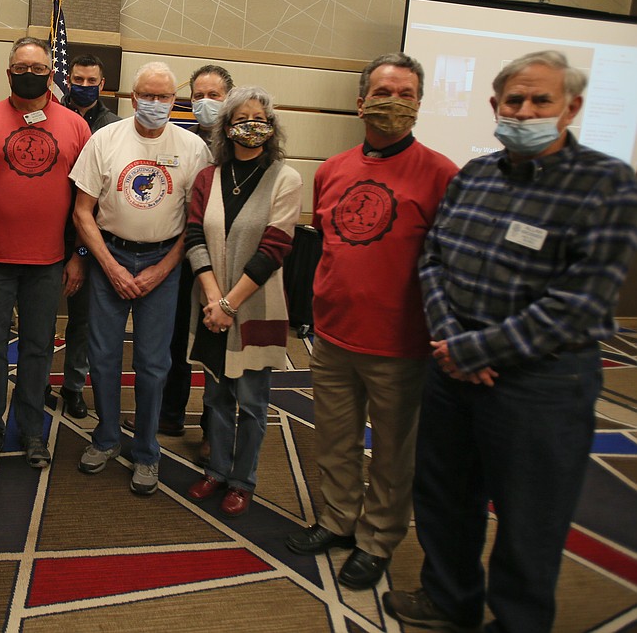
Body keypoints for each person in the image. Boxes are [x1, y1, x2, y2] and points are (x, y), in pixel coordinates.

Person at [384, 50, 637, 632]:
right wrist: (451, 339)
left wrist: (478, 350)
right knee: (446, 497)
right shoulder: (475, 175)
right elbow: (434, 259)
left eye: (540, 101)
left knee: (530, 515)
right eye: (514, 101)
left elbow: (581, 301)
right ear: (495, 106)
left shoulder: (606, 183)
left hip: (541, 382)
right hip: (453, 367)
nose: (524, 111)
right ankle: (450, 599)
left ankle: (520, 622)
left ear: (570, 107)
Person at [284, 53, 458, 590]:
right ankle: (338, 522)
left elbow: (448, 263)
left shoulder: (442, 173)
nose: (393, 102)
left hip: (400, 345)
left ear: (419, 104)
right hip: (333, 336)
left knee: (391, 451)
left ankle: (377, 540)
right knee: (334, 440)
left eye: (406, 94)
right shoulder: (332, 170)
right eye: (384, 91)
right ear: (361, 102)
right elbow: (329, 247)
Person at [0, 37, 91, 469]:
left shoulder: (76, 127)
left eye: (38, 68)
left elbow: (87, 200)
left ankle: (31, 431)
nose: (30, 74)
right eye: (21, 67)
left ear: (52, 74)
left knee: (38, 349)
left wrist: (78, 254)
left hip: (48, 264)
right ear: (8, 73)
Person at [71, 61, 212, 495]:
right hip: (108, 256)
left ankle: (147, 450)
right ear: (133, 99)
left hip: (163, 264)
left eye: (164, 96)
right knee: (103, 357)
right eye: (147, 96)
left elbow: (196, 223)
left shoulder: (192, 148)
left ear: (176, 100)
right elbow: (82, 211)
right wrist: (110, 266)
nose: (155, 103)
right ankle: (107, 437)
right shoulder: (105, 139)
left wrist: (162, 270)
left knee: (154, 365)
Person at [182, 86, 301, 517]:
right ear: (227, 127)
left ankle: (242, 480)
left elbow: (274, 249)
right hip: (212, 306)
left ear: (271, 129)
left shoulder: (286, 178)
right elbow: (195, 237)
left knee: (251, 402)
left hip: (254, 309)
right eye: (243, 118)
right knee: (215, 396)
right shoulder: (207, 178)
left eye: (261, 119)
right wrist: (214, 299)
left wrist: (229, 305)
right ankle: (215, 469)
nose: (253, 125)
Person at [144, 64, 236, 458]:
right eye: (198, 95)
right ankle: (170, 412)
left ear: (230, 98)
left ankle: (213, 429)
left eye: (214, 95)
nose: (204, 103)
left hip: (226, 261)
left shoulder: (241, 145)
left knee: (218, 344)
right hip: (185, 255)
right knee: (175, 338)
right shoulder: (189, 142)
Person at [56, 53, 123, 420]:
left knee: (82, 320)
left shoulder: (114, 128)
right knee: (38, 318)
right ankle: (34, 385)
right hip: (45, 232)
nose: (82, 86)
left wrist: (81, 251)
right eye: (76, 80)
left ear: (102, 84)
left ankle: (73, 386)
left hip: (90, 236)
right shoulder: (51, 114)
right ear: (67, 80)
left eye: (90, 81)